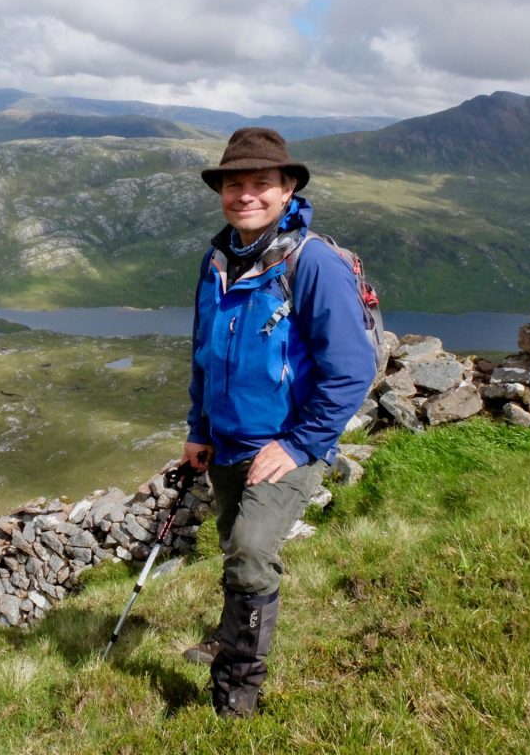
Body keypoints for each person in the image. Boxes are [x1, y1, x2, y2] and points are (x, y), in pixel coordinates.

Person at [182, 127, 376, 719]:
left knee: (251, 547)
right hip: (228, 440)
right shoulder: (218, 261)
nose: (246, 195)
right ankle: (229, 630)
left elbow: (351, 368)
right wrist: (199, 426)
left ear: (288, 188)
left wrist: (298, 445)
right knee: (232, 545)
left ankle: (237, 690)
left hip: (287, 444)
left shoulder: (312, 263)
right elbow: (205, 353)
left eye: (261, 183)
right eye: (234, 183)